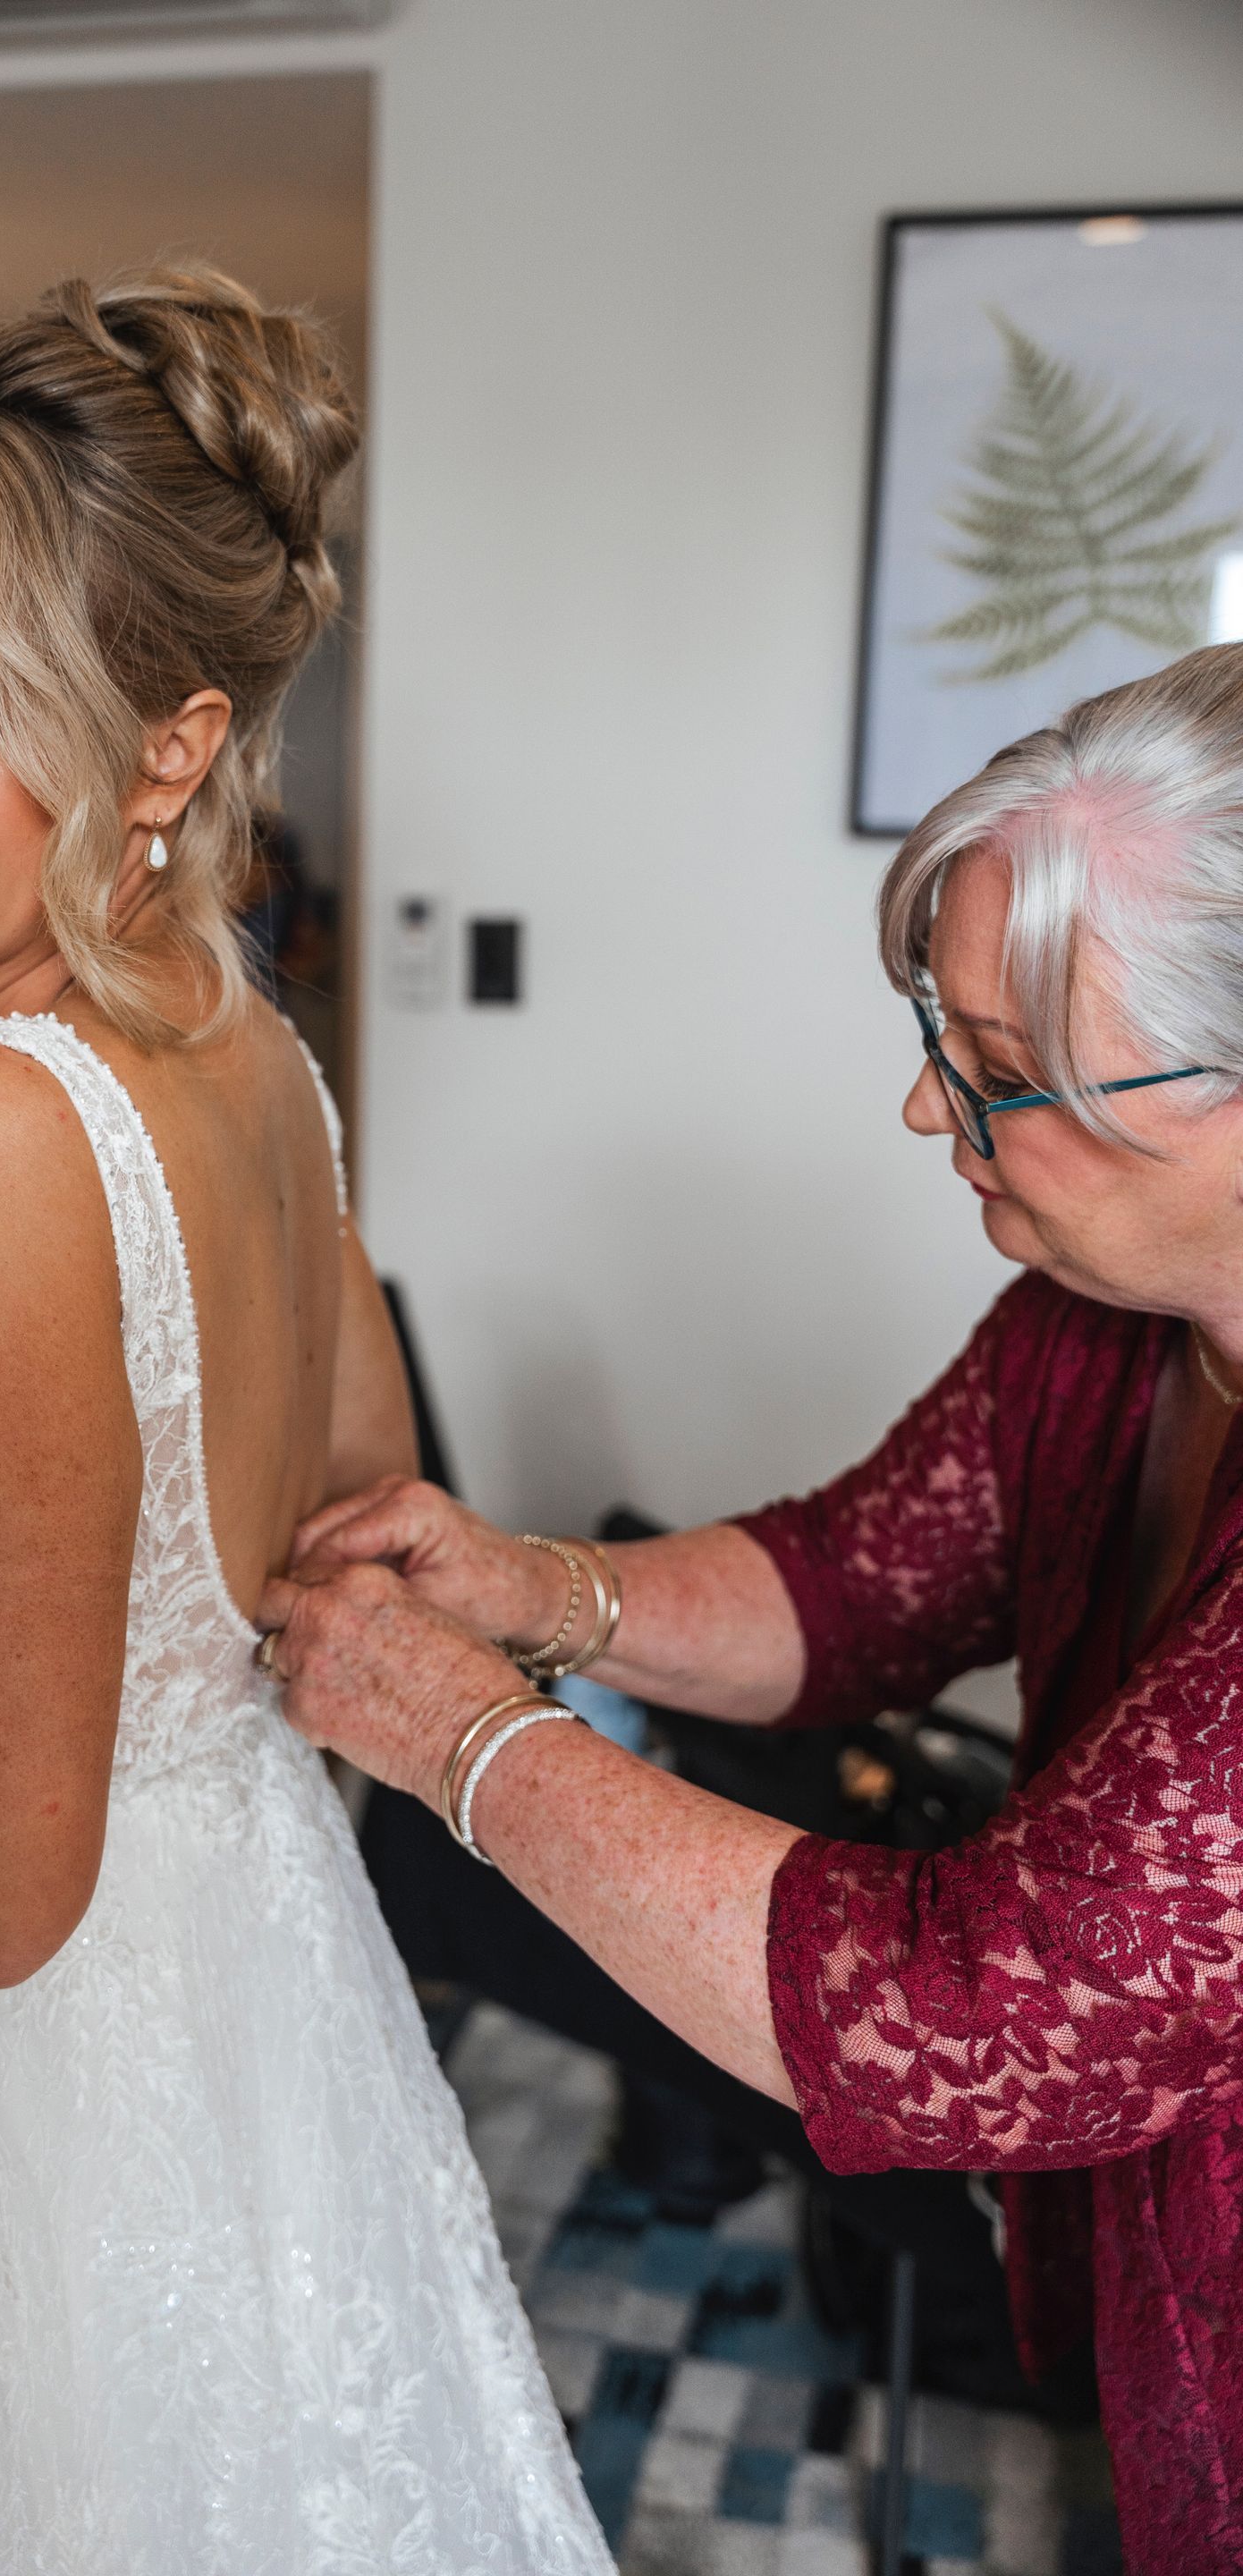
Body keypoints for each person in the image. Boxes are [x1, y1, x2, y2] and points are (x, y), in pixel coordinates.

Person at [0, 268, 612, 2576]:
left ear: (164, 745)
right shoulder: (251, 1051)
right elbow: (346, 1515)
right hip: (231, 1998)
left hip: (9, 2083)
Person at [261, 643, 1243, 2575]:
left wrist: (464, 1737)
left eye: (999, 1071)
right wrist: (538, 1587)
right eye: (934, 1031)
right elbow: (859, 1580)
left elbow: (963, 2009)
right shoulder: (1103, 1333)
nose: (920, 1104)